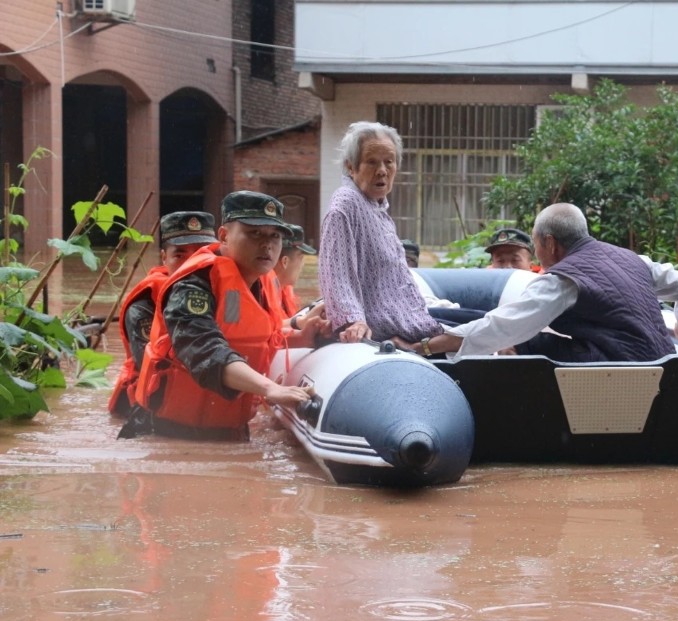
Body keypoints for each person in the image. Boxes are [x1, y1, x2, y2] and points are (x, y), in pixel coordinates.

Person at [121, 191, 326, 441]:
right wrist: (271, 388)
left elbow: (251, 338)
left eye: (275, 235)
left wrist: (303, 337)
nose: (267, 244)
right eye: (255, 233)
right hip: (165, 433)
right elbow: (204, 350)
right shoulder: (193, 286)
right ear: (223, 236)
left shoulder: (261, 283)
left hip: (228, 429)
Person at [399, 203, 678, 363]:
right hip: (668, 363)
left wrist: (426, 346)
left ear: (550, 243)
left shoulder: (563, 280)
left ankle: (420, 333)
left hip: (622, 372)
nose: (536, 252)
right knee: (512, 331)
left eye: (534, 245)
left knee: (522, 339)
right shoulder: (635, 261)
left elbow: (503, 326)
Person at [318, 121, 443, 343]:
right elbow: (336, 272)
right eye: (372, 162)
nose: (383, 171)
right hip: (384, 328)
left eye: (389, 162)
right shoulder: (346, 204)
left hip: (408, 318)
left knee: (477, 323)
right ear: (350, 166)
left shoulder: (376, 205)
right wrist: (353, 321)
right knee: (475, 335)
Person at [108, 210, 219, 417]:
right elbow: (153, 368)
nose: (191, 264)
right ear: (164, 258)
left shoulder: (225, 290)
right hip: (151, 406)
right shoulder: (143, 304)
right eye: (180, 255)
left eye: (200, 254)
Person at [272, 223, 324, 331]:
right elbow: (266, 332)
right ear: (285, 261)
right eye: (301, 258)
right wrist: (301, 321)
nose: (303, 264)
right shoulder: (260, 292)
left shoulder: (283, 289)